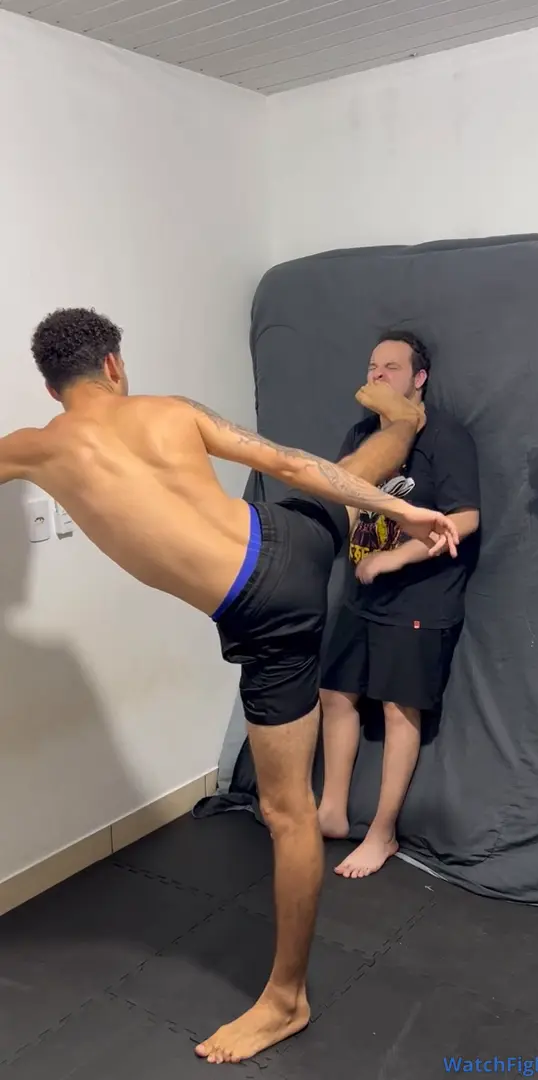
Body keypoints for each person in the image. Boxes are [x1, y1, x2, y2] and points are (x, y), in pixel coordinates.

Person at [0, 309, 459, 1065]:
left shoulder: (35, 447)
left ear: (52, 388)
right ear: (113, 365)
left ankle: (286, 1002)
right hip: (280, 539)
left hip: (267, 614)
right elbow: (292, 463)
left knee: (287, 812)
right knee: (337, 485)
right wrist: (401, 506)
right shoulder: (172, 411)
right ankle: (404, 423)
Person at [318, 329, 480, 879]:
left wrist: (394, 558)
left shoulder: (446, 436)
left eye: (391, 367)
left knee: (397, 708)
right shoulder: (363, 434)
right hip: (359, 594)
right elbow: (343, 494)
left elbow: (465, 518)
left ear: (419, 378)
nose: (378, 375)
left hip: (419, 598)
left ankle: (382, 833)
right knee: (335, 693)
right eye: (373, 366)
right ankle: (332, 811)